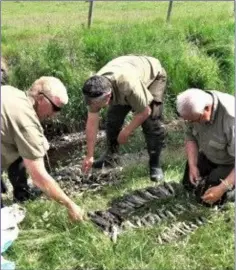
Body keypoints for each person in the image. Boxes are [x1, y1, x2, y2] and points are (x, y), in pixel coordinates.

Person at [1, 76, 84, 221]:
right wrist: (70, 205)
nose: (56, 114)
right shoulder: (26, 123)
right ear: (40, 98)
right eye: (56, 107)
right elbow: (39, 177)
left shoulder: (10, 92)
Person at [81, 55, 167, 182]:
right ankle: (111, 157)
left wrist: (127, 131)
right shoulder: (94, 90)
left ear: (108, 96)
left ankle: (155, 164)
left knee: (151, 123)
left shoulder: (128, 85)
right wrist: (90, 155)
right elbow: (92, 123)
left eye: (97, 103)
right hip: (127, 70)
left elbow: (145, 111)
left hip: (152, 75)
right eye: (92, 103)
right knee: (113, 120)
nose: (95, 106)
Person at [176, 88, 235, 205]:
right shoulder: (193, 108)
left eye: (195, 120)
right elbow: (190, 138)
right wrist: (193, 166)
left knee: (209, 200)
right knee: (189, 185)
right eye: (189, 121)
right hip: (210, 154)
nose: (192, 123)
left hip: (231, 162)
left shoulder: (231, 119)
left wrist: (222, 188)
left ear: (207, 109)